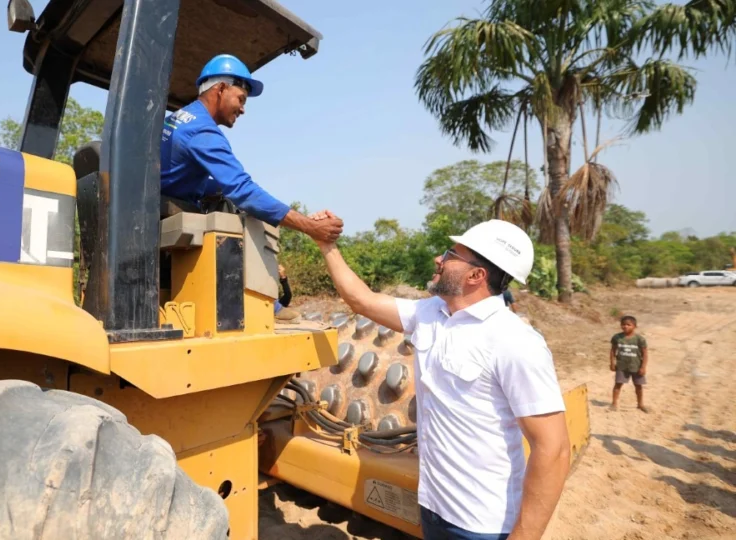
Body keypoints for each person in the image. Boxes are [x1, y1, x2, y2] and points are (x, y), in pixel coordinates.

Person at [310, 215, 571, 540]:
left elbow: (554, 450)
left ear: (477, 275)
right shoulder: (430, 313)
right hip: (433, 506)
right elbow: (361, 300)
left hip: (483, 524)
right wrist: (327, 245)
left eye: (450, 255)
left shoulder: (514, 341)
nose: (439, 258)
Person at [159, 54, 342, 243]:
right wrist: (310, 226)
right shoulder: (203, 132)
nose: (243, 109)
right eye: (241, 99)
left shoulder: (182, 117)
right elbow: (242, 190)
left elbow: (174, 174)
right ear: (221, 88)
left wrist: (221, 188)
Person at [610, 315, 649, 413]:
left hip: (636, 366)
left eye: (628, 325)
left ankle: (640, 404)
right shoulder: (617, 337)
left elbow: (645, 353)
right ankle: (614, 403)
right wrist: (612, 362)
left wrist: (643, 367)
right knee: (618, 385)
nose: (625, 326)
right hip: (622, 366)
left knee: (638, 386)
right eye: (623, 324)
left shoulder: (640, 339)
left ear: (635, 326)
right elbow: (613, 350)